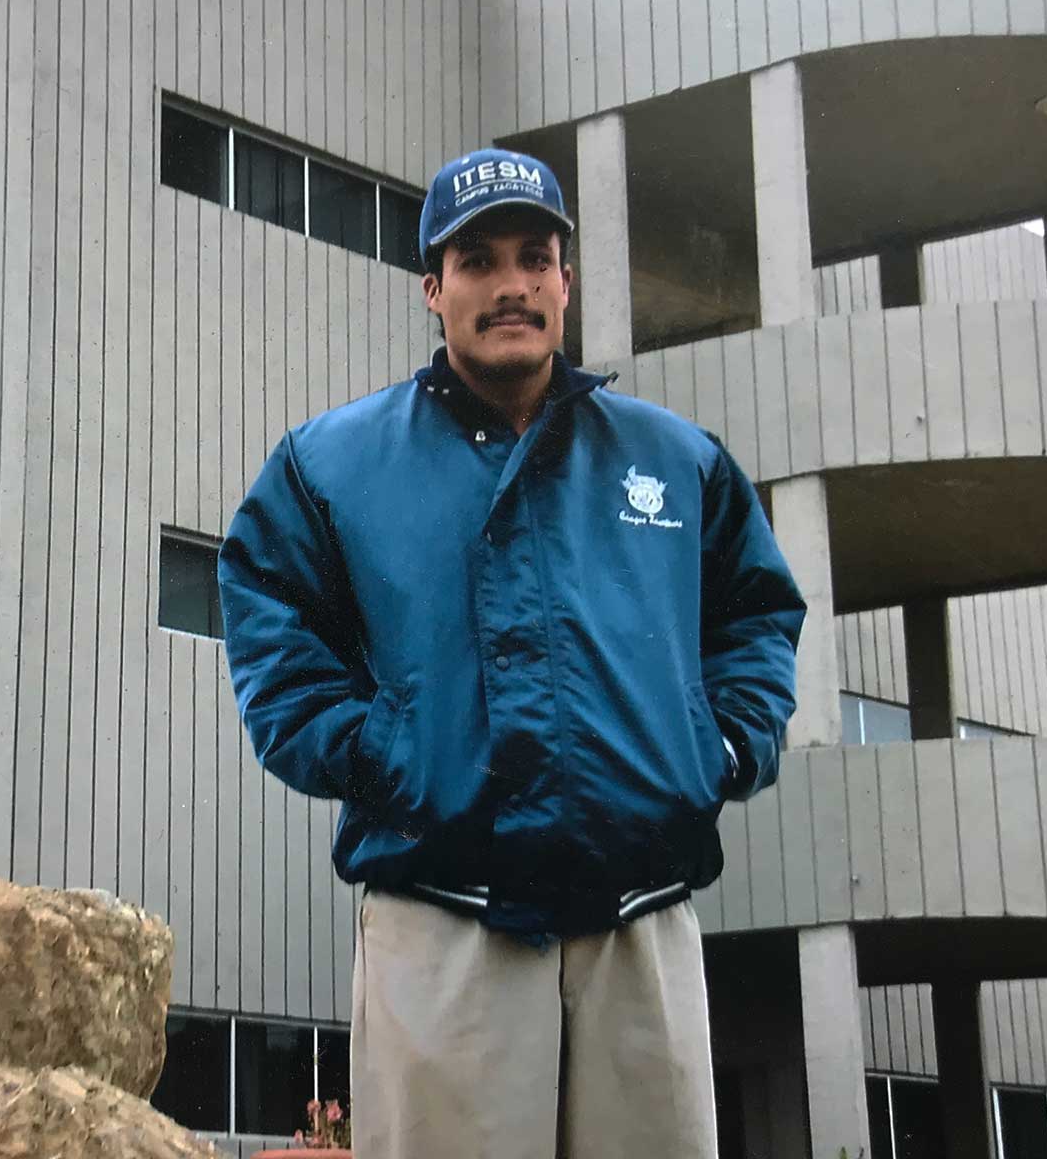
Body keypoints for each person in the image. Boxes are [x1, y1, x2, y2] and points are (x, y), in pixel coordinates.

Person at [217, 147, 804, 1159]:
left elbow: (755, 617)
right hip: (444, 922)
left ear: (566, 282)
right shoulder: (331, 464)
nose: (512, 285)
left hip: (640, 924)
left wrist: (723, 747)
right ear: (433, 288)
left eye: (536, 257)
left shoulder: (676, 461)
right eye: (479, 261)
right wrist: (373, 753)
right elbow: (271, 617)